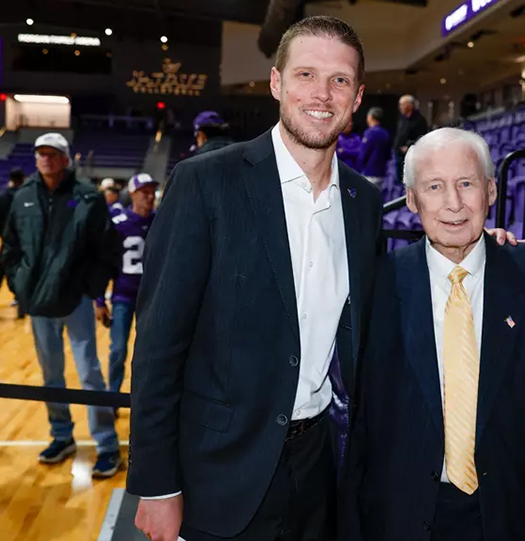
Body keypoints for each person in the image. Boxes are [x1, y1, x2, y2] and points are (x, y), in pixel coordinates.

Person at [128, 16, 382, 541]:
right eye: (306, 75)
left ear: (357, 97)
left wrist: (481, 249)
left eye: (340, 80)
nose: (322, 94)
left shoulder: (363, 202)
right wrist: (155, 485)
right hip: (219, 475)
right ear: (276, 83)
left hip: (320, 471)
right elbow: (158, 345)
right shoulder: (205, 182)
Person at [342, 128, 525, 541]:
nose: (454, 204)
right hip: (397, 520)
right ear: (411, 200)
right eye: (435, 187)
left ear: (491, 191)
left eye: (466, 184)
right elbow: (357, 425)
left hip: (511, 518)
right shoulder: (376, 284)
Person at [0, 132, 122, 478]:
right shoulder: (22, 197)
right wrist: (21, 287)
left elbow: (107, 250)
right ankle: (62, 435)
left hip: (76, 300)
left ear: (66, 159)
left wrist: (91, 289)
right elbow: (10, 248)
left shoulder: (87, 197)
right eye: (41, 153)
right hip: (39, 303)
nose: (46, 159)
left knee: (89, 374)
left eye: (53, 154)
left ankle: (107, 444)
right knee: (50, 375)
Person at [96, 173, 157, 399]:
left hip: (153, 298)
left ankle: (146, 399)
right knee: (118, 349)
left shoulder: (162, 221)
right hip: (123, 295)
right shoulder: (118, 225)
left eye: (152, 192)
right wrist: (100, 299)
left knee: (149, 353)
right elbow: (105, 263)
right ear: (132, 194)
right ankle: (113, 396)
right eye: (144, 192)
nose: (149, 197)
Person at [0, 168, 25, 317]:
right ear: (22, 179)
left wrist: (2, 234)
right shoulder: (25, 197)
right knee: (21, 274)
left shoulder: (1, 197)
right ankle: (21, 308)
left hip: (6, 240)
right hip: (22, 242)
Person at [393, 95, 429, 184]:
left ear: (410, 105)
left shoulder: (419, 120)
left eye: (403, 105)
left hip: (410, 155)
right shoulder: (402, 118)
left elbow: (422, 138)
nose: (400, 107)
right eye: (400, 105)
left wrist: (408, 146)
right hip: (399, 154)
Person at [358, 107, 390, 186]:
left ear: (370, 117)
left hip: (369, 172)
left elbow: (363, 154)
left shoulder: (369, 133)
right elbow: (388, 154)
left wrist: (357, 168)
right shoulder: (385, 133)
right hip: (382, 172)